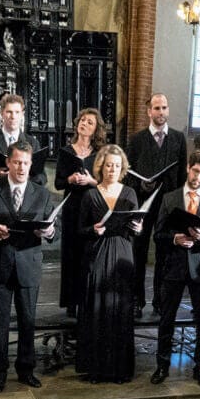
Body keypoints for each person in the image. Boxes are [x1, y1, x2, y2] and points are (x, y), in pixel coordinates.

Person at [0, 139, 55, 392]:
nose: (21, 167)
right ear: (8, 162)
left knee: (28, 321)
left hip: (29, 264)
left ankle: (26, 369)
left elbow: (55, 229)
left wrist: (50, 231)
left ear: (31, 164)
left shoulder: (42, 193)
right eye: (17, 162)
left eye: (26, 163)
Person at [151, 149, 200, 389]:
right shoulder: (170, 198)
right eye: (195, 171)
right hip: (174, 266)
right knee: (167, 318)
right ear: (188, 168)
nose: (198, 177)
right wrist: (174, 239)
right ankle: (162, 365)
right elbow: (157, 234)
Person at [76, 144, 139, 383]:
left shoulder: (130, 193)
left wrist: (139, 228)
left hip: (123, 254)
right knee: (98, 309)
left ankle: (119, 369)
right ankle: (96, 369)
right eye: (108, 165)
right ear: (100, 167)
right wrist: (92, 230)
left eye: (117, 165)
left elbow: (136, 227)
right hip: (98, 253)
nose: (112, 169)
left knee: (120, 309)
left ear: (122, 168)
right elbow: (79, 230)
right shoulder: (90, 195)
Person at [126, 93, 188, 318]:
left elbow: (182, 175)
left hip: (169, 206)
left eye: (164, 108)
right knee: (138, 252)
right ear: (149, 112)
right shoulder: (137, 139)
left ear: (168, 110)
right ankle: (136, 300)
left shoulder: (179, 139)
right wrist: (141, 185)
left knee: (165, 253)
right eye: (156, 108)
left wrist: (181, 205)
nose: (161, 112)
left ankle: (160, 301)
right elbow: (128, 174)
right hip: (143, 203)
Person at [54, 107, 106, 316]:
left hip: (93, 209)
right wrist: (71, 179)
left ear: (96, 130)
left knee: (90, 255)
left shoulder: (100, 154)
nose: (84, 124)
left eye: (90, 122)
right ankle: (71, 302)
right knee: (71, 254)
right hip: (73, 208)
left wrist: (90, 181)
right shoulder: (66, 152)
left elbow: (105, 183)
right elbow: (58, 183)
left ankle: (88, 299)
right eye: (82, 120)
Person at [0, 93, 47, 187]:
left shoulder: (32, 143)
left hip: (24, 197)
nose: (13, 116)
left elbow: (42, 177)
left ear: (22, 114)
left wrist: (26, 178)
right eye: (9, 112)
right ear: (1, 113)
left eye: (17, 112)